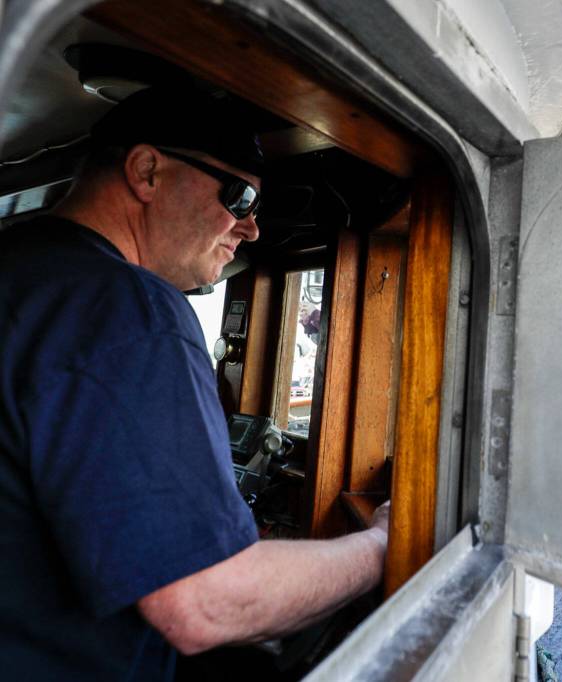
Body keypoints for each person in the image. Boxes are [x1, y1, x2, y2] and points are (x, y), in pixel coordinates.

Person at [0, 88, 388, 679]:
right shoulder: (129, 308)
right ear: (147, 172)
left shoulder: (20, 265)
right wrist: (381, 547)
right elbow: (203, 602)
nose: (252, 229)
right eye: (241, 196)